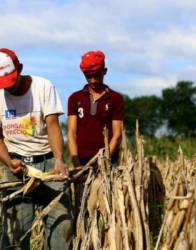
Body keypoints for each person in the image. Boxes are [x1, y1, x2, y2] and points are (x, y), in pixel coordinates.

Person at [0, 48, 72, 249]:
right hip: (15, 167)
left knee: (62, 223)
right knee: (14, 231)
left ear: (20, 68)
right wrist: (8, 161)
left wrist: (59, 159)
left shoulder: (43, 86)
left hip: (47, 163)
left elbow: (53, 126)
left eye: (11, 83)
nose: (8, 89)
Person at [67, 50, 124, 215]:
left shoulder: (115, 99)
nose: (92, 80)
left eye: (96, 76)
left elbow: (117, 134)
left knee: (108, 208)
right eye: (88, 76)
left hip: (108, 163)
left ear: (105, 71)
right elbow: (71, 132)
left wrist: (103, 160)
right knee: (83, 209)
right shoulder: (75, 98)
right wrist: (76, 163)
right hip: (82, 163)